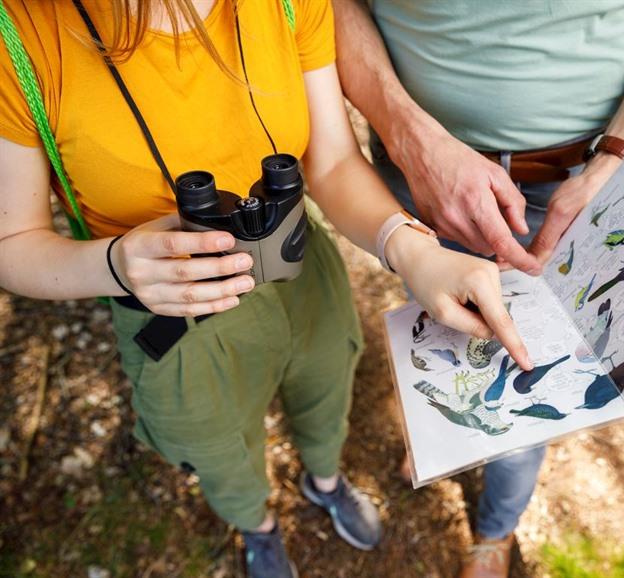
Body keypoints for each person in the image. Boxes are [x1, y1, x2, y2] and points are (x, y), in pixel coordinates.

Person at [0, 1, 534, 576]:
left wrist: (414, 251)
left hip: (298, 268)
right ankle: (256, 526)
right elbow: (13, 243)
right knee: (218, 451)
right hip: (173, 322)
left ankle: (324, 480)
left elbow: (329, 163)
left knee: (327, 394)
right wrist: (114, 264)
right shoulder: (21, 35)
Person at [332, 0, 624, 576]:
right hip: (417, 168)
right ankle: (447, 436)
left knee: (533, 371)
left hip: (580, 176)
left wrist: (617, 158)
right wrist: (408, 135)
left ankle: (495, 529)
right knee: (439, 318)